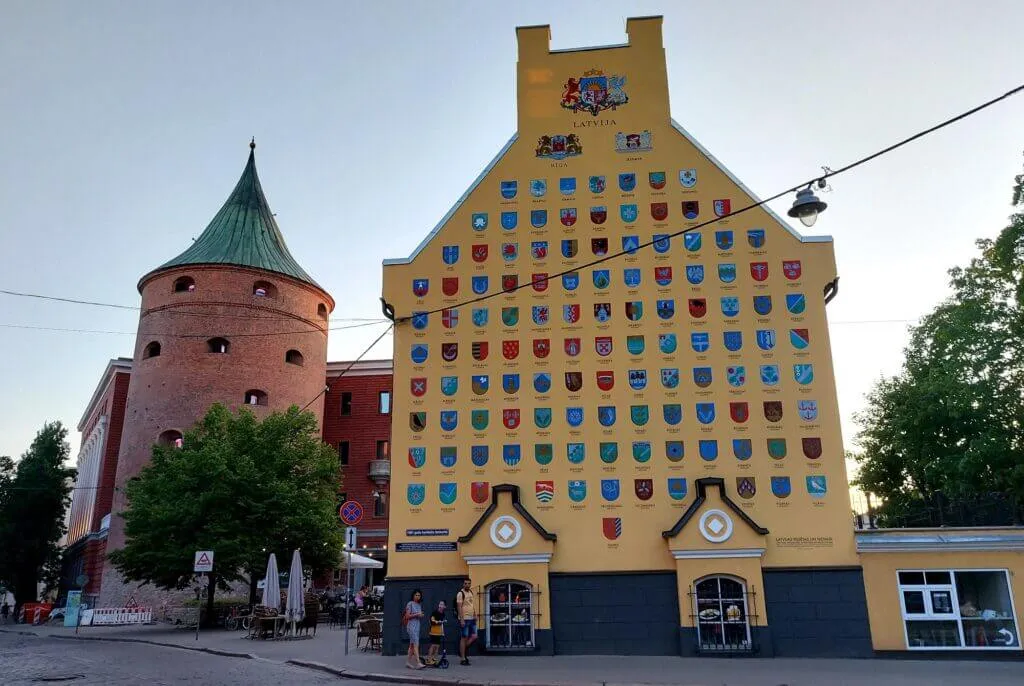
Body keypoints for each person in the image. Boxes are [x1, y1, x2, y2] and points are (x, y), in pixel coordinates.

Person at [456, 578, 477, 666]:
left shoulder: (471, 592)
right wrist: (462, 619)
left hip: (472, 618)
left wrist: (475, 614)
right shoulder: (460, 594)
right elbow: (459, 607)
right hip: (465, 618)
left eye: (469, 583)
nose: (467, 585)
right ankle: (463, 658)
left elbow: (472, 605)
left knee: (474, 636)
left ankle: (462, 651)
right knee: (464, 637)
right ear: (463, 584)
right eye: (466, 583)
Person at [403, 589, 425, 669]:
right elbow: (407, 616)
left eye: (419, 595)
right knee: (416, 644)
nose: (418, 597)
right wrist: (417, 614)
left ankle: (408, 662)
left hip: (417, 626)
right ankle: (418, 663)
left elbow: (418, 616)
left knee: (412, 645)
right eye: (416, 595)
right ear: (413, 595)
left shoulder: (419, 604)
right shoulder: (410, 604)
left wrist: (420, 615)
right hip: (411, 626)